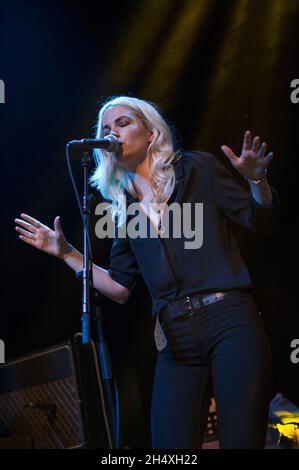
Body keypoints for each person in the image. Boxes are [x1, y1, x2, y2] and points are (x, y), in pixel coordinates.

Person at [15, 96, 279, 449]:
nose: (113, 133)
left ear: (152, 132)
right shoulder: (124, 209)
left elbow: (259, 221)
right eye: (106, 129)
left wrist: (257, 182)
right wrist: (68, 254)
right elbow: (121, 287)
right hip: (174, 336)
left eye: (123, 123)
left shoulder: (196, 169)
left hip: (229, 320)